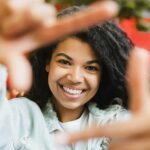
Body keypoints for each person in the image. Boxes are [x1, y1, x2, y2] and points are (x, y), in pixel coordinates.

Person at [0, 5, 134, 149]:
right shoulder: (19, 116)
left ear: (102, 75)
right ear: (48, 63)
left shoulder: (119, 123)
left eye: (90, 68)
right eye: (64, 62)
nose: (75, 78)